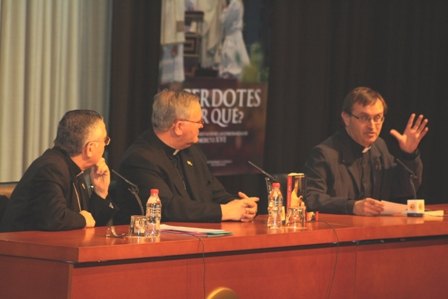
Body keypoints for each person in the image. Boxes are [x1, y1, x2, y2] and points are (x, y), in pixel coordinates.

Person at [114, 89, 258, 223]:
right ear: (178, 127)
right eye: (198, 121)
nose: (202, 126)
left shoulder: (192, 152)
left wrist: (241, 206)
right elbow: (168, 207)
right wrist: (224, 212)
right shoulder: (140, 159)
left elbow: (215, 193)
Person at [304, 87, 429, 216]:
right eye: (364, 118)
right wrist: (352, 206)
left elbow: (403, 190)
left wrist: (408, 155)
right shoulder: (324, 154)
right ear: (346, 118)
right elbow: (311, 199)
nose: (372, 126)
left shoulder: (380, 147)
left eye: (378, 118)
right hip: (340, 233)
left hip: (377, 232)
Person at [0, 110, 116, 232]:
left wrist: (100, 192)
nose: (105, 145)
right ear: (90, 148)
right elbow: (54, 218)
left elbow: (91, 223)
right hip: (23, 249)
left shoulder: (74, 169)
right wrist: (82, 219)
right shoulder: (51, 168)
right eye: (105, 140)